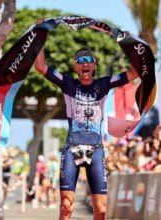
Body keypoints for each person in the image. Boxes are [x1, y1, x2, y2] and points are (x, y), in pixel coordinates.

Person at [35, 46, 138, 219]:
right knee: (66, 206)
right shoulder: (68, 83)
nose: (85, 64)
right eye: (80, 61)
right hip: (72, 148)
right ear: (75, 66)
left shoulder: (104, 84)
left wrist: (129, 44)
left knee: (101, 209)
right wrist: (39, 35)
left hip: (96, 149)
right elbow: (40, 67)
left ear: (94, 65)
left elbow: (134, 74)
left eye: (89, 60)